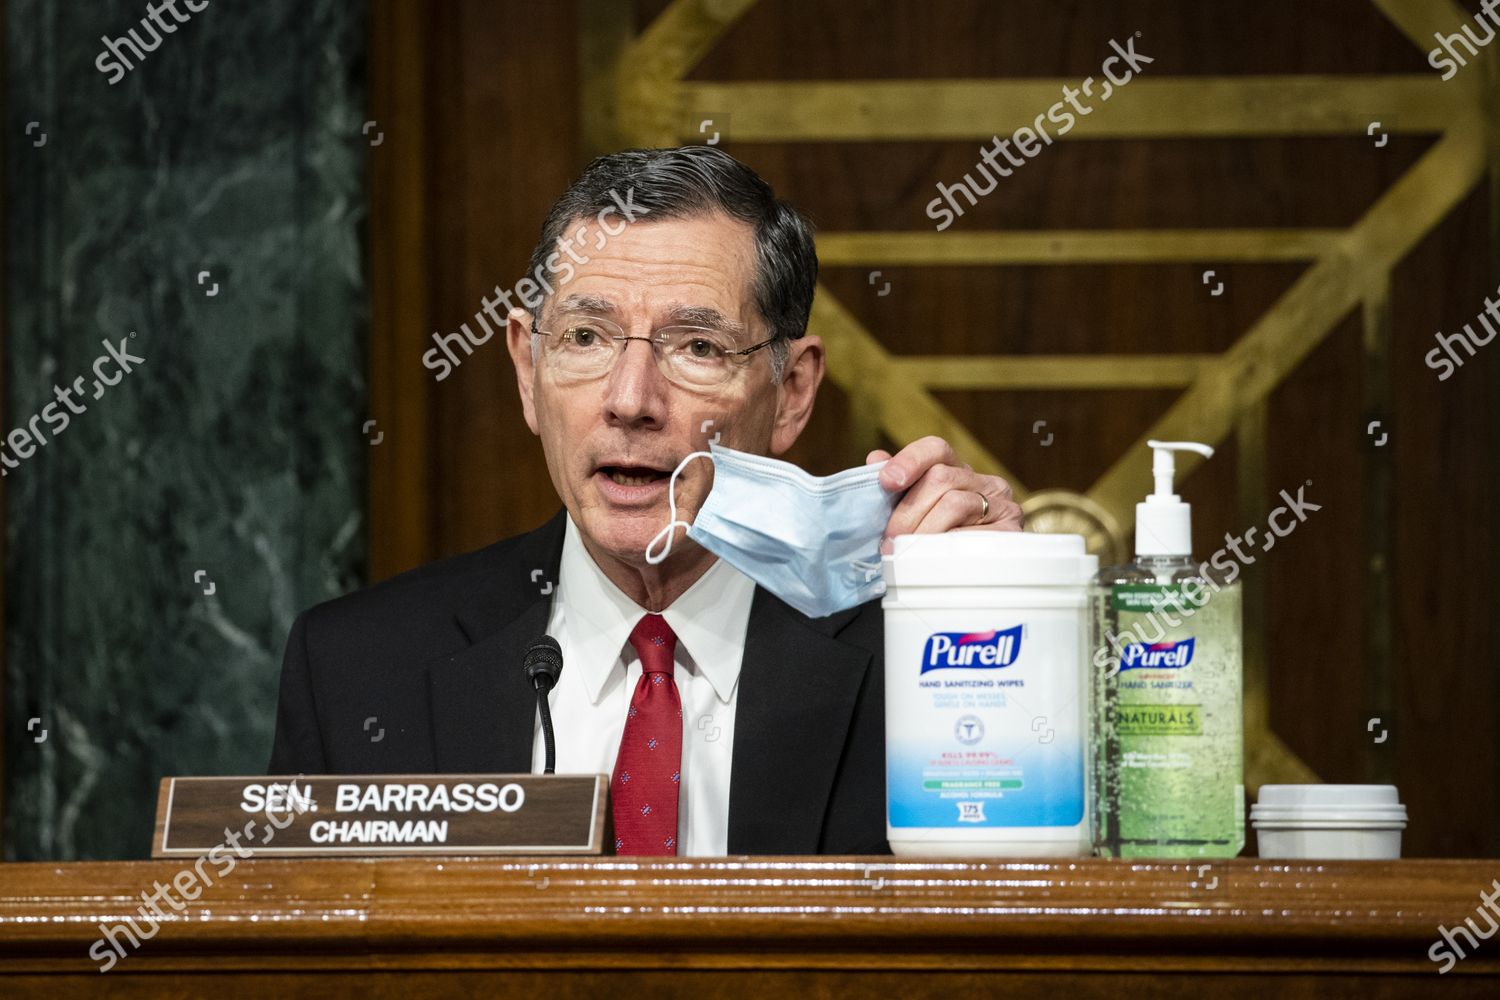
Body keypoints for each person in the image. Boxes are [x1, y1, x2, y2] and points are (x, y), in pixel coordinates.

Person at [268, 146, 1023, 855]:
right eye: (587, 337)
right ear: (527, 370)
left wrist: (1010, 618)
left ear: (792, 393)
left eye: (698, 347)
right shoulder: (356, 669)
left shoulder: (931, 659)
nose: (631, 401)